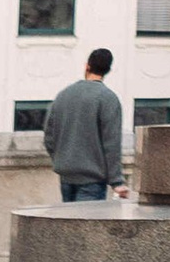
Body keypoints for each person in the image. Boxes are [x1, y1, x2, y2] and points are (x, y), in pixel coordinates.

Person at [43, 47, 123, 203]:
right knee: (86, 225)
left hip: (66, 175)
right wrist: (117, 181)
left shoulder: (63, 95)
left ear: (87, 66)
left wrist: (62, 159)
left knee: (67, 223)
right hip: (93, 179)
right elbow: (111, 143)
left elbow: (49, 136)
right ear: (107, 70)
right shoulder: (108, 98)